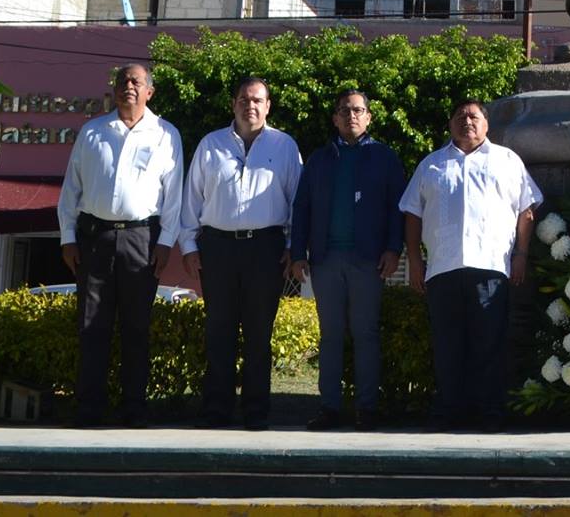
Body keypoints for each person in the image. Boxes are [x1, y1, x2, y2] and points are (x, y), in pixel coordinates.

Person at [399, 99, 542, 430]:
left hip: (490, 267)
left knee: (488, 345)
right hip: (443, 270)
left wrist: (521, 254)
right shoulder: (432, 165)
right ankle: (449, 412)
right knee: (448, 346)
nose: (467, 122)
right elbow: (412, 214)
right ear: (450, 124)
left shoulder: (507, 161)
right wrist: (415, 261)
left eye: (474, 116)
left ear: (487, 125)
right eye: (460, 117)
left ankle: (489, 413)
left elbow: (526, 211)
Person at [56, 62, 185, 427]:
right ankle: (89, 410)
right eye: (123, 81)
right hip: (94, 237)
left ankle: (134, 410)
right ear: (114, 89)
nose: (128, 86)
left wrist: (166, 243)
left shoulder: (165, 134)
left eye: (136, 82)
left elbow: (173, 197)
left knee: (136, 327)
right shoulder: (93, 132)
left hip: (142, 240)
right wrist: (68, 239)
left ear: (149, 92)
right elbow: (71, 191)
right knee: (91, 325)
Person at [176, 75, 302, 430]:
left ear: (268, 106)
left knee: (260, 333)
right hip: (217, 247)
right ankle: (216, 410)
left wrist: (293, 247)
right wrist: (189, 245)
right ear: (233, 104)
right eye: (244, 100)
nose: (251, 106)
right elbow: (192, 199)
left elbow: (296, 200)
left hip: (266, 248)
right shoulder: (210, 144)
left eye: (258, 100)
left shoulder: (285, 146)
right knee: (219, 331)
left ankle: (256, 412)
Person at [290, 88, 406, 430]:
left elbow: (397, 209)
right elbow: (302, 208)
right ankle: (329, 408)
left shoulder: (385, 157)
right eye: (344, 111)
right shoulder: (319, 159)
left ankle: (366, 408)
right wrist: (298, 253)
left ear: (369, 117)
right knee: (331, 334)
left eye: (357, 110)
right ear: (335, 119)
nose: (351, 116)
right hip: (326, 260)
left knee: (366, 332)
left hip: (368, 260)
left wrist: (393, 249)